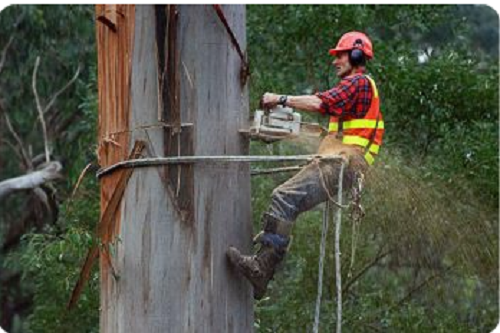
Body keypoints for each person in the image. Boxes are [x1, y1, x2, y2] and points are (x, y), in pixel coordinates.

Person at [227, 31, 385, 300]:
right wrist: (281, 131)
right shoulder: (358, 92)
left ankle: (261, 268)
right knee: (288, 202)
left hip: (341, 165)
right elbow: (335, 130)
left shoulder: (358, 82)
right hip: (341, 165)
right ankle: (265, 258)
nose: (335, 61)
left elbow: (321, 102)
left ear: (357, 55)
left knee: (284, 197)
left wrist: (280, 99)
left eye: (340, 55)